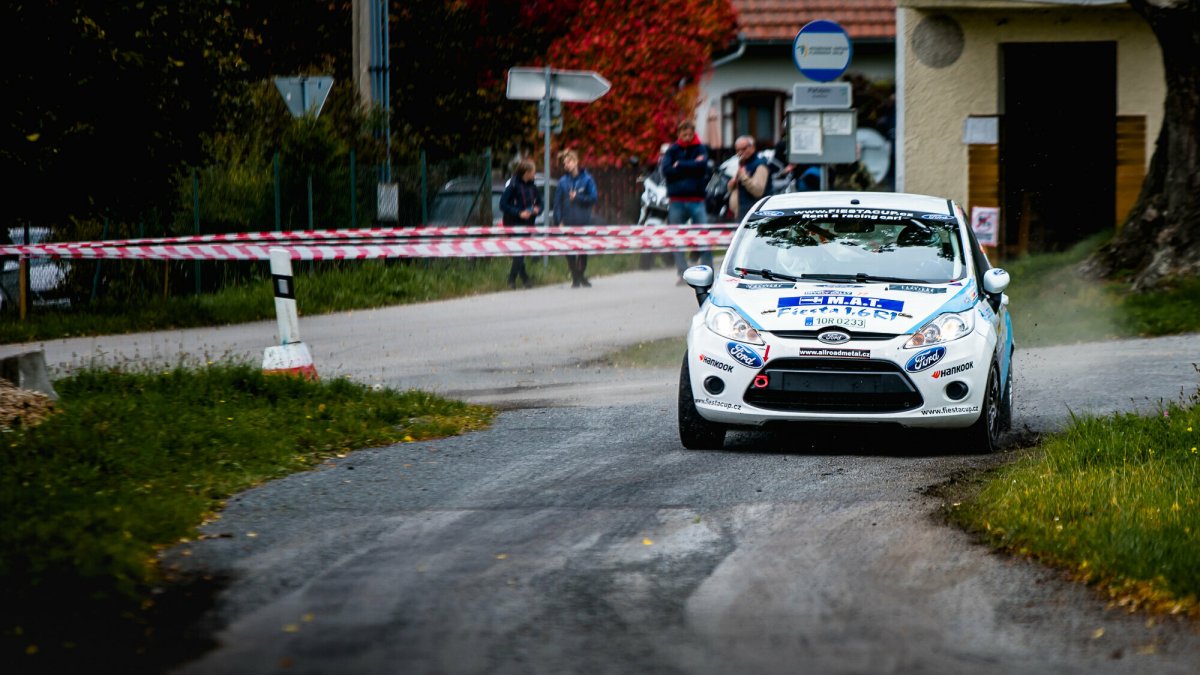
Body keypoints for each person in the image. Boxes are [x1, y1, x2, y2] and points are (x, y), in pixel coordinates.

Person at [661, 120, 713, 285]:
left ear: (693, 133)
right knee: (677, 239)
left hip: (696, 200)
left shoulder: (700, 148)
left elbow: (702, 166)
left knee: (703, 237)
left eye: (690, 134)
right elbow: (666, 170)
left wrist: (680, 165)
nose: (687, 136)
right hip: (676, 201)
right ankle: (682, 273)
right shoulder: (672, 150)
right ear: (679, 134)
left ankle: (707, 272)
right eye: (684, 134)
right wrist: (692, 166)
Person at [554, 149, 598, 288]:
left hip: (583, 221)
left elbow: (593, 198)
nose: (566, 165)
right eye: (564, 163)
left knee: (583, 250)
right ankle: (575, 276)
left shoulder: (587, 179)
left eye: (569, 161)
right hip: (568, 222)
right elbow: (557, 203)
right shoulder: (562, 182)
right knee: (569, 250)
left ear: (576, 162)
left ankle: (580, 274)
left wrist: (578, 197)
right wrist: (559, 220)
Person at [499, 159, 541, 289]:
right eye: (533, 172)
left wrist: (537, 209)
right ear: (526, 172)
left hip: (528, 223)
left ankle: (525, 279)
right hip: (513, 223)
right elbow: (502, 204)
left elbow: (540, 202)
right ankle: (511, 279)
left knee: (520, 252)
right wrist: (518, 213)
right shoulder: (512, 185)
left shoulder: (532, 186)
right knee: (519, 252)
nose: (535, 174)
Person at [727, 135, 771, 222]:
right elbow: (735, 189)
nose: (740, 152)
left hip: (754, 212)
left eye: (743, 149)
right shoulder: (741, 163)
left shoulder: (760, 165)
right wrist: (731, 185)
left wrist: (743, 176)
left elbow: (758, 191)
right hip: (741, 212)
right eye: (737, 150)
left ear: (752, 148)